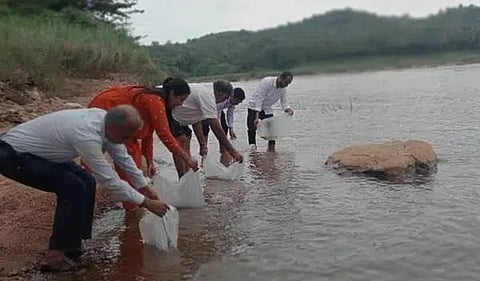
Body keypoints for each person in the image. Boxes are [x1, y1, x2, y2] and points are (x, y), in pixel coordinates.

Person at [0, 105, 169, 272]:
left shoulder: (108, 123)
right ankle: (55, 257)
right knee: (72, 188)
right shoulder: (86, 135)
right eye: (125, 137)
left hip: (40, 153)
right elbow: (109, 180)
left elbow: (123, 158)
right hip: (12, 155)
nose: (126, 141)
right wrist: (145, 202)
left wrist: (145, 187)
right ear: (112, 128)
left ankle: (72, 245)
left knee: (87, 181)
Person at [88, 78, 199, 210]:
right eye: (180, 100)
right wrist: (187, 159)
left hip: (122, 121)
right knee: (102, 162)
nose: (180, 104)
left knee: (134, 166)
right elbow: (164, 135)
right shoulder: (154, 101)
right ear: (172, 94)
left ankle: (132, 206)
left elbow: (148, 134)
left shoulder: (156, 101)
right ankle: (129, 208)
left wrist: (150, 161)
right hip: (105, 109)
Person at [169, 80, 244, 177]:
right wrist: (233, 151)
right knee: (181, 142)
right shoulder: (208, 96)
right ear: (220, 93)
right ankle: (182, 177)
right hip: (171, 114)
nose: (224, 101)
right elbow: (215, 127)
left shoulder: (208, 93)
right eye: (225, 98)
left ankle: (186, 178)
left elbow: (196, 120)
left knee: (187, 139)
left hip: (181, 119)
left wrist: (202, 143)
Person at [247, 71, 294, 152]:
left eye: (288, 83)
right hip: (254, 107)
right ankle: (253, 150)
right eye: (286, 82)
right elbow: (259, 99)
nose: (286, 85)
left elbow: (284, 102)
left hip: (267, 108)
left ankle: (271, 151)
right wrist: (257, 117)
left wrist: (288, 109)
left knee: (272, 131)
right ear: (280, 78)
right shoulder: (267, 82)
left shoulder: (283, 89)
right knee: (252, 129)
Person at [202, 87, 245, 166]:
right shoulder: (221, 100)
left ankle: (223, 152)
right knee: (205, 131)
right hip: (207, 111)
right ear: (233, 97)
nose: (238, 103)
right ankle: (204, 153)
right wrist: (218, 127)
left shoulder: (232, 103)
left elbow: (230, 114)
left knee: (224, 131)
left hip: (219, 112)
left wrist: (231, 128)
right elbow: (215, 116)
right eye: (238, 101)